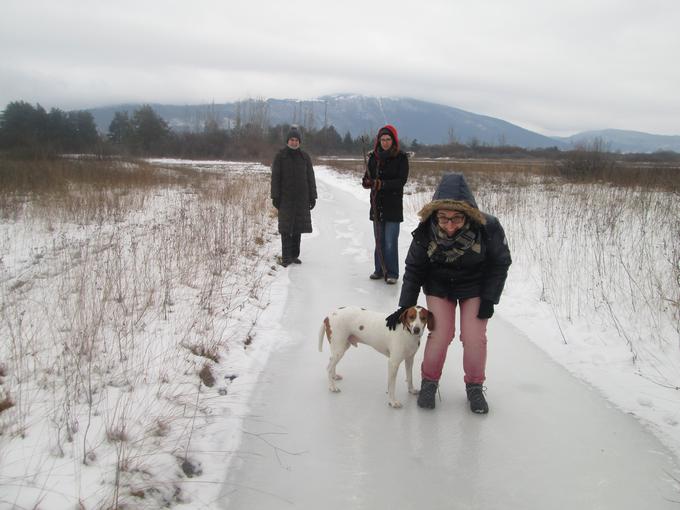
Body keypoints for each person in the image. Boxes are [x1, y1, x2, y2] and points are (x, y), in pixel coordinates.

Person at [385, 173, 511, 413]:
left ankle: (475, 386)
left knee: (474, 337)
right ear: (435, 214)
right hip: (439, 287)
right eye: (443, 219)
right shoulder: (425, 230)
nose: (450, 225)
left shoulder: (488, 227)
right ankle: (429, 382)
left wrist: (489, 298)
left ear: (469, 215)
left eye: (457, 219)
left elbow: (500, 262)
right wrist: (406, 305)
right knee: (441, 333)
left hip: (474, 287)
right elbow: (414, 268)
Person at [361, 124, 409, 284]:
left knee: (390, 241)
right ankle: (379, 270)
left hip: (393, 206)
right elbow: (366, 179)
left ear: (393, 140)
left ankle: (393, 272)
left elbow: (400, 181)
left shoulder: (401, 157)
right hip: (376, 205)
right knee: (379, 240)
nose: (385, 142)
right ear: (378, 141)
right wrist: (367, 182)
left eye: (388, 139)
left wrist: (380, 184)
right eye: (383, 139)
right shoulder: (373, 157)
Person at [271, 125, 317, 267]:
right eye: (291, 139)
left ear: (299, 142)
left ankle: (294, 255)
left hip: (302, 199)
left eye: (296, 140)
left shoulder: (305, 157)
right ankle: (286, 257)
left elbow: (310, 177)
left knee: (298, 228)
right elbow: (275, 178)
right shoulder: (280, 156)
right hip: (285, 199)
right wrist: (275, 196)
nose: (294, 142)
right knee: (286, 229)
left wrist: (312, 196)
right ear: (287, 141)